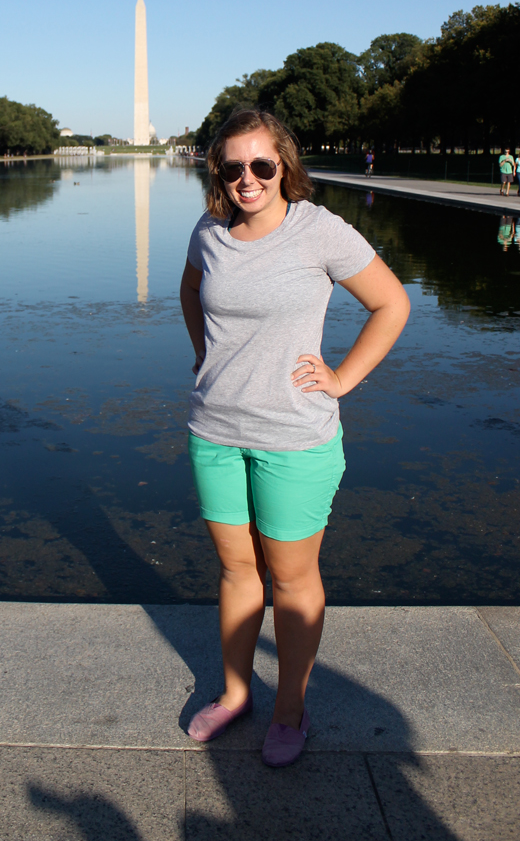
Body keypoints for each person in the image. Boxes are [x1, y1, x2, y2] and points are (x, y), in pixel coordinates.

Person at [180, 108, 410, 768]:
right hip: (216, 430)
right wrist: (205, 354)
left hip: (294, 438)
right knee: (235, 570)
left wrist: (342, 377)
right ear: (217, 172)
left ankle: (290, 709)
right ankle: (233, 693)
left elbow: (391, 303)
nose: (247, 178)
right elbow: (191, 288)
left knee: (291, 577)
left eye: (260, 165)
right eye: (232, 167)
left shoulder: (318, 231)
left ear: (284, 164)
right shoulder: (209, 231)